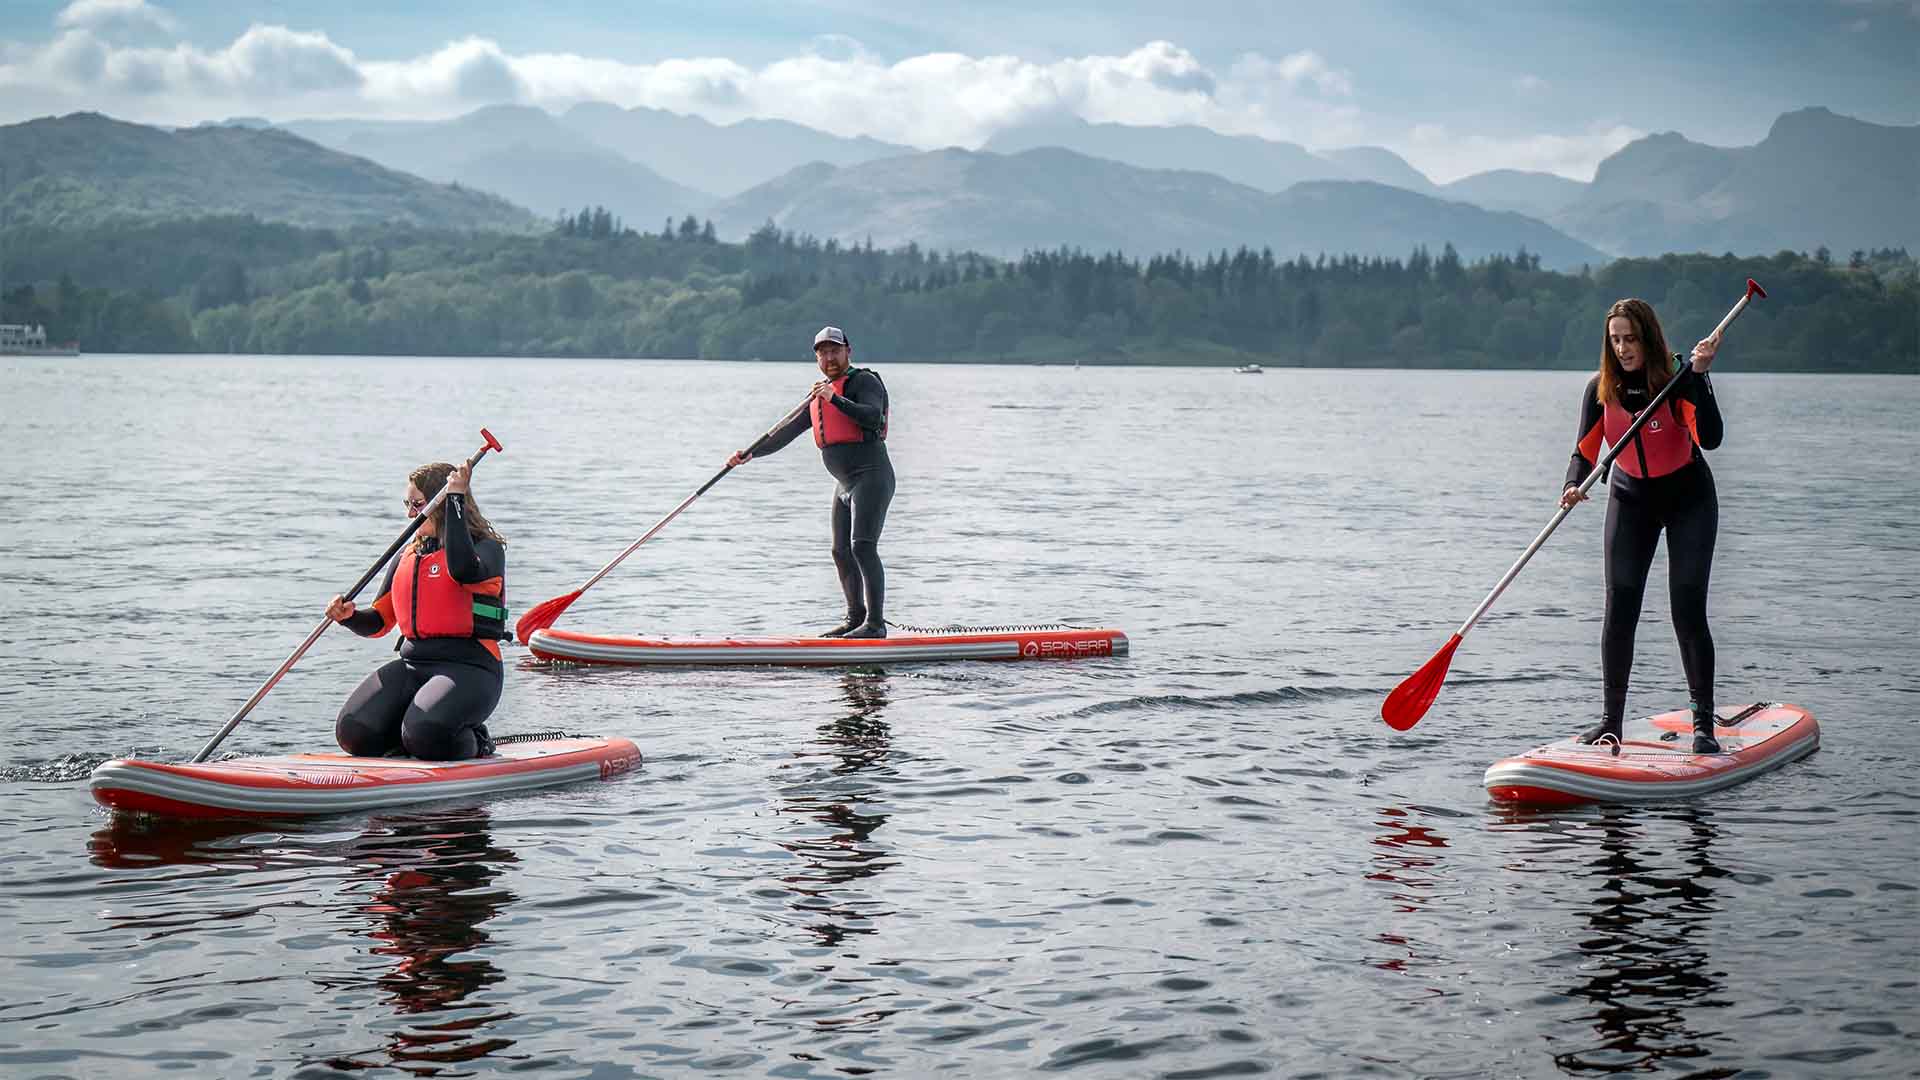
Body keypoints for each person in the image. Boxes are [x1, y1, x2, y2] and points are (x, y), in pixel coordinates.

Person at [1562, 298, 1725, 754]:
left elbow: (1710, 438)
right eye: (1615, 340)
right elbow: (1584, 452)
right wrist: (1573, 485)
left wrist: (1700, 376)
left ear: (1648, 339)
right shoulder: (1601, 389)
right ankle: (1611, 722)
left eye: (1630, 339)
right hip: (1630, 499)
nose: (1622, 348)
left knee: (1686, 609)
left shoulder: (1676, 381)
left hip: (1688, 499)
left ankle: (1703, 725)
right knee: (1620, 607)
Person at [327, 461, 509, 759]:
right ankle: (409, 740)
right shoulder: (407, 557)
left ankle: (476, 741)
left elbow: (462, 569)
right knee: (354, 732)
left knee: (426, 733)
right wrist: (349, 617)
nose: (410, 513)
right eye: (407, 504)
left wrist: (455, 500)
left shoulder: (486, 548)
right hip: (415, 665)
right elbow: (379, 622)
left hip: (471, 670)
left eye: (417, 504)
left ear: (439, 503)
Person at [728, 325, 894, 638]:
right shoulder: (818, 395)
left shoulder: (864, 381)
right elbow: (786, 432)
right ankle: (855, 619)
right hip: (844, 484)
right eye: (823, 353)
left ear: (848, 351)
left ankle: (875, 624)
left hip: (872, 476)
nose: (830, 358)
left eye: (835, 350)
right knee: (839, 551)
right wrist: (750, 454)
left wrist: (836, 399)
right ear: (817, 358)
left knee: (862, 547)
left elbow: (873, 417)